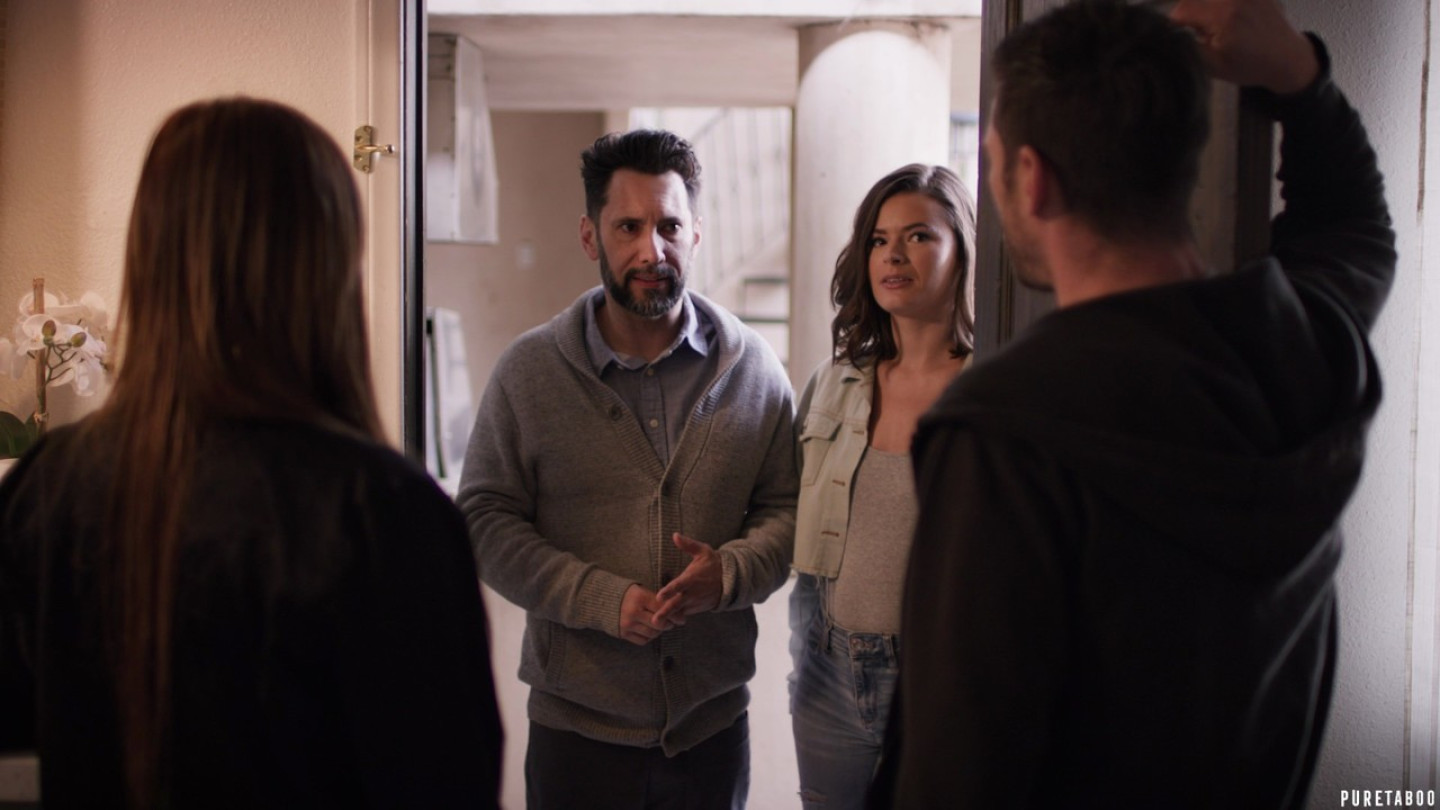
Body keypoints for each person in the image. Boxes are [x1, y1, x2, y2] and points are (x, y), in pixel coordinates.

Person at [871, 0, 1396, 807]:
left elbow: (958, 770)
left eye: (995, 160)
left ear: (1033, 179)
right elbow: (1354, 227)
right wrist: (1297, 72)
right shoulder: (1300, 347)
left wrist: (1298, 73)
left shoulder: (1004, 431)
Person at [0, 98, 504, 809]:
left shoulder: (51, 485)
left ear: (153, 259)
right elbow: (446, 781)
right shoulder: (383, 511)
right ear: (329, 266)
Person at [457, 128, 797, 810]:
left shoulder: (755, 370)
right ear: (591, 237)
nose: (652, 250)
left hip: (710, 732)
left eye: (669, 226)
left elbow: (789, 510)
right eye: (628, 227)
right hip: (575, 736)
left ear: (696, 233)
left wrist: (730, 574)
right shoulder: (529, 373)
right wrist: (598, 599)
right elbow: (484, 520)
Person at [788, 164, 976, 810]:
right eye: (878, 240)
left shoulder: (992, 390)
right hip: (828, 673)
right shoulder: (834, 383)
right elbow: (786, 514)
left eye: (918, 236)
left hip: (943, 680)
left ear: (962, 251)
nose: (893, 255)